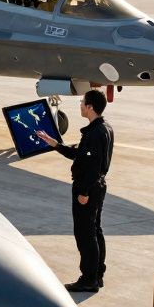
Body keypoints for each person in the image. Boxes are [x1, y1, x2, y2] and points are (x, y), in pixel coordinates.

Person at [35, 89, 114, 292]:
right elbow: (80, 155)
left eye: (82, 102)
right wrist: (56, 145)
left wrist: (84, 192)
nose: (80, 105)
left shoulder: (96, 133)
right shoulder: (103, 128)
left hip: (88, 189)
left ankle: (88, 279)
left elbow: (93, 166)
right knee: (95, 230)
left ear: (90, 107)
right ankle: (97, 274)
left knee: (85, 234)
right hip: (97, 187)